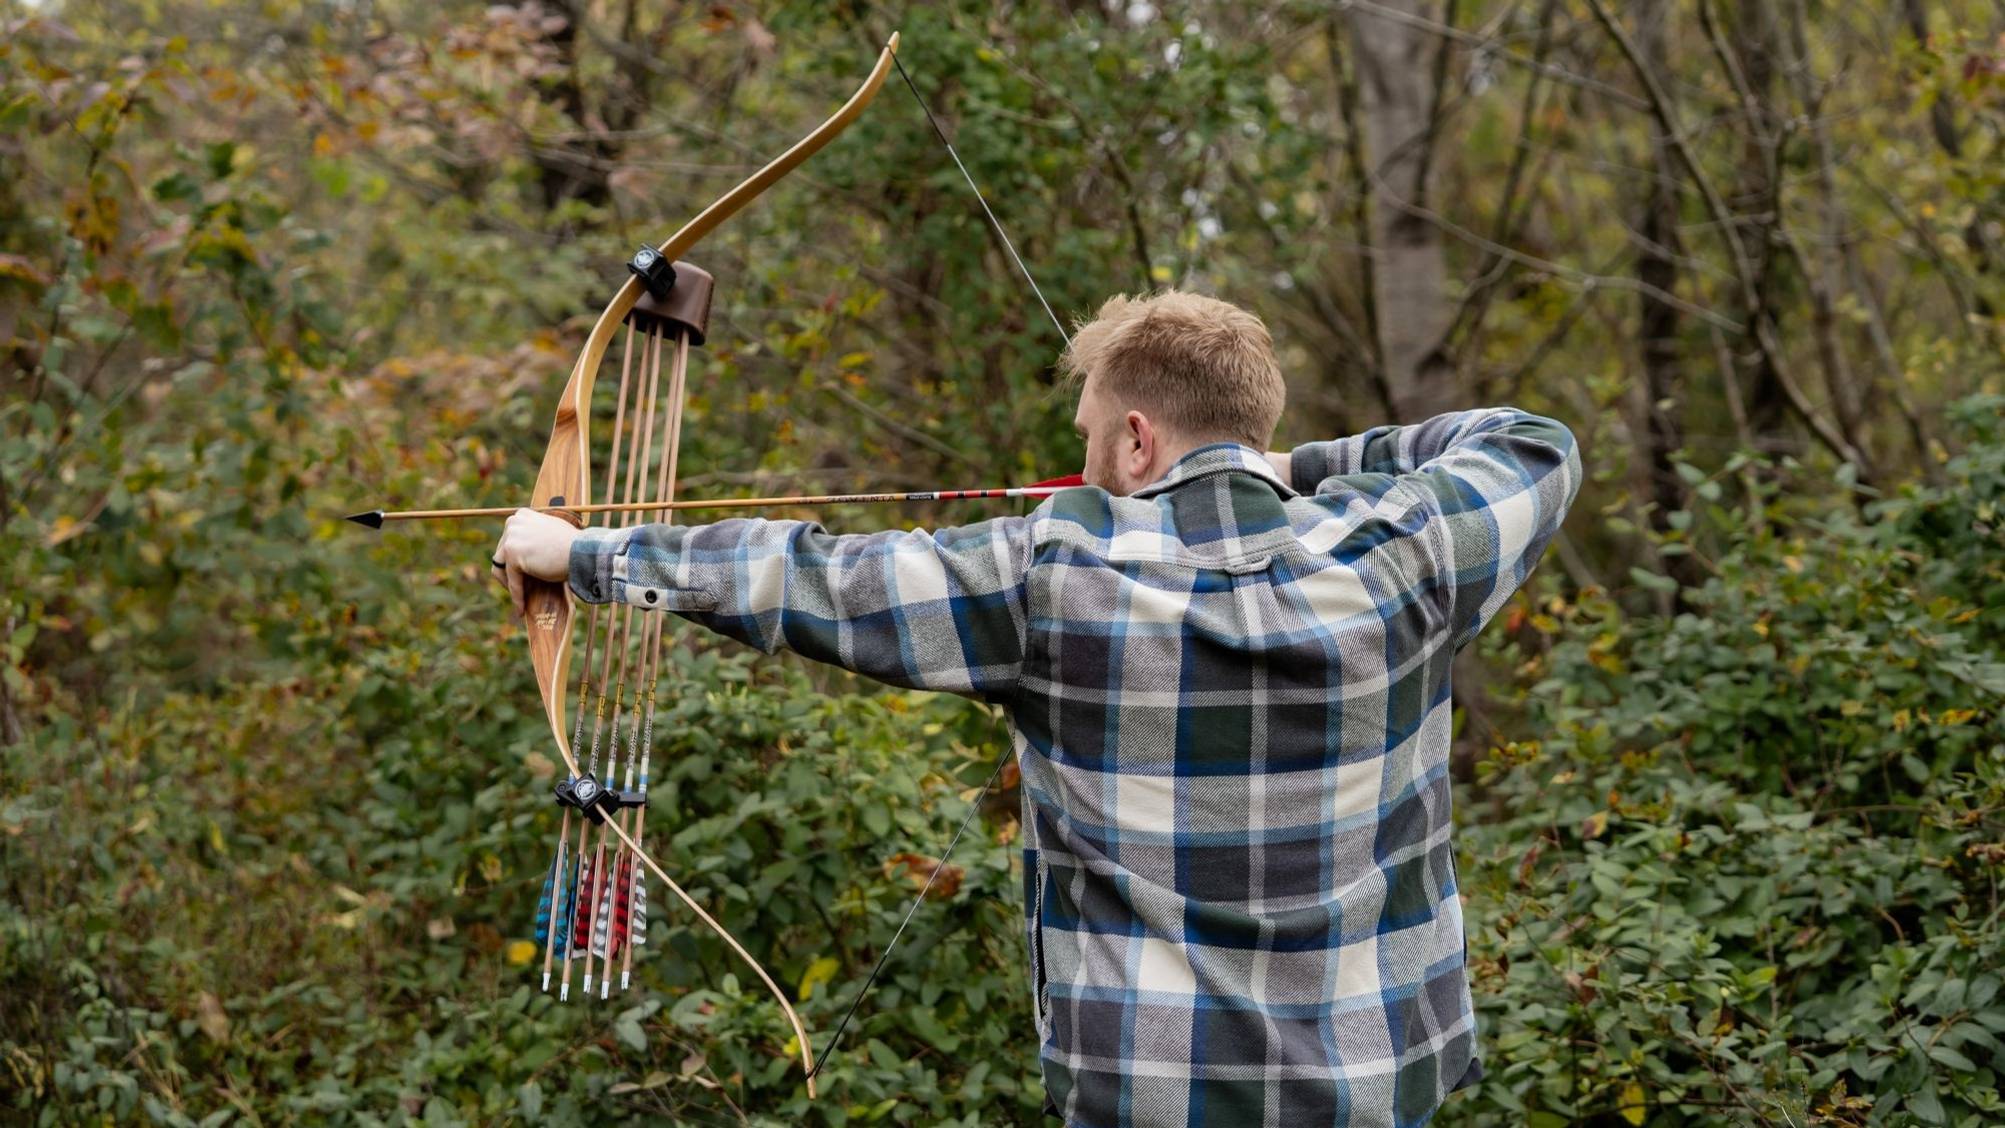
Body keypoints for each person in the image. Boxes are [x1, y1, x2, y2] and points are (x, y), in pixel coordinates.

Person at [492, 289, 1583, 1127]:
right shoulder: (1403, 551)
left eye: (1089, 435)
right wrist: (1296, 465)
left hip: (1153, 1100)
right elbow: (1532, 444)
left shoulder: (1052, 574)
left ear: (1139, 440)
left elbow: (818, 579)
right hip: (1375, 1087)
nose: (1084, 459)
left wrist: (585, 553)